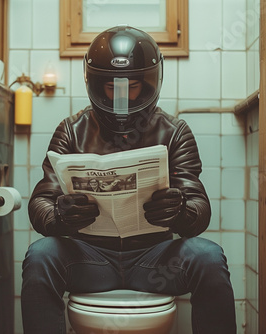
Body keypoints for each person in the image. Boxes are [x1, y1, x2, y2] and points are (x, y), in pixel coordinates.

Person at [22, 25, 237, 333]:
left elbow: (200, 208)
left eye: (132, 85)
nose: (122, 95)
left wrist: (180, 214)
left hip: (153, 261)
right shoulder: (71, 130)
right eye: (111, 86)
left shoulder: (175, 132)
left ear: (149, 83)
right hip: (90, 259)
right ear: (95, 84)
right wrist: (58, 215)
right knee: (40, 255)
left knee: (209, 256)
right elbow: (41, 201)